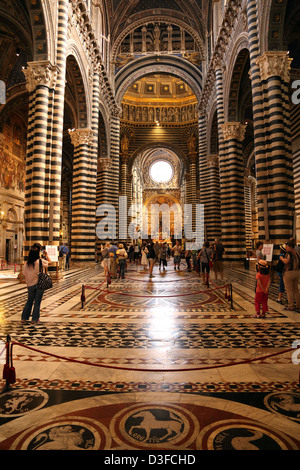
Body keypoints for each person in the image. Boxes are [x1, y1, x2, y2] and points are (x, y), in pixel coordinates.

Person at [21, 245, 51, 324]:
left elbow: (24, 274)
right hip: (39, 285)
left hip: (30, 285)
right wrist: (46, 255)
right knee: (37, 302)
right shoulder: (40, 261)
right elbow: (50, 262)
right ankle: (34, 319)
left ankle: (24, 317)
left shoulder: (26, 263)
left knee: (29, 301)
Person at [282, 239, 300, 311]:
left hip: (289, 273)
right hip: (297, 272)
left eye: (287, 247)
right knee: (296, 290)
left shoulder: (289, 253)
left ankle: (291, 306)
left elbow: (287, 261)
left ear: (290, 246)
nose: (286, 248)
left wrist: (282, 259)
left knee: (289, 290)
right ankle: (298, 305)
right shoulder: (297, 253)